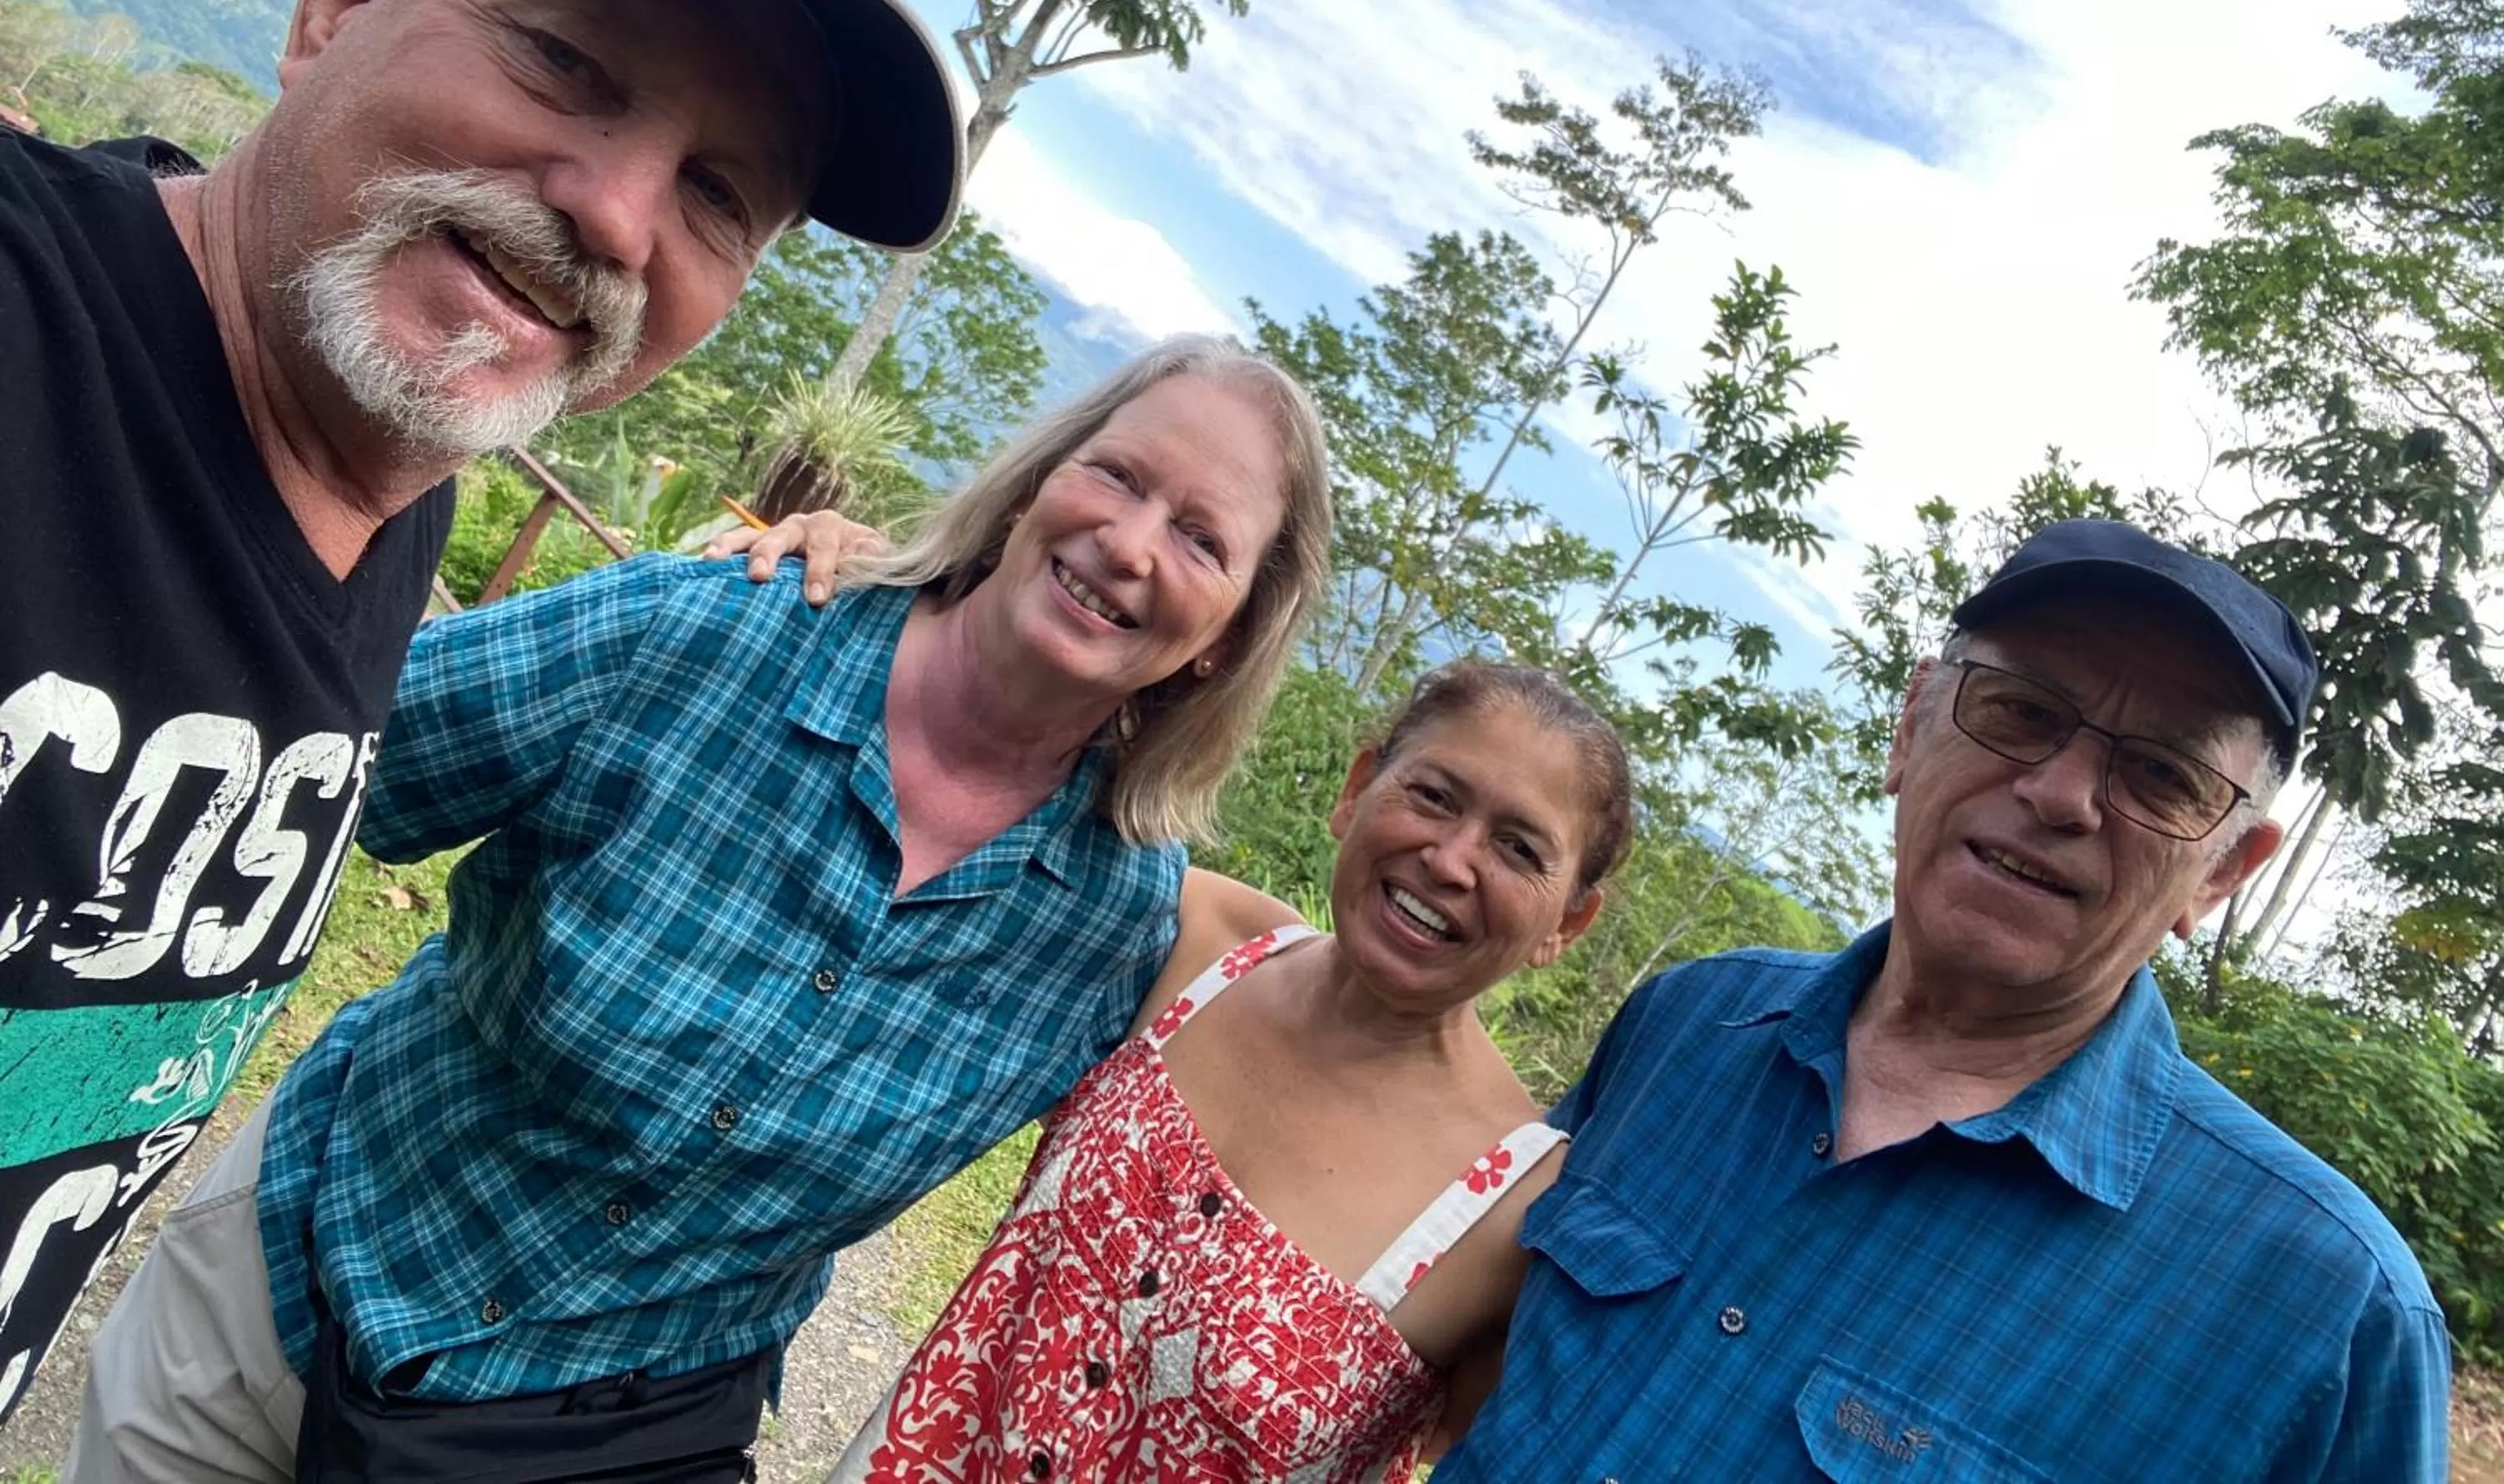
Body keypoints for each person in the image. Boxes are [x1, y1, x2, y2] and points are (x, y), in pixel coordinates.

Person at [0, 0, 962, 1423]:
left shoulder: (392, 500)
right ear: (341, 3)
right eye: (568, 60)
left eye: (719, 196)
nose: (618, 213)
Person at [68, 336, 1334, 1483]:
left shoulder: (1118, 931)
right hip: (306, 1259)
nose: (1131, 542)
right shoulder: (708, 634)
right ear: (1036, 483)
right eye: (1117, 475)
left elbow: (1356, 1030)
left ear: (1227, 640)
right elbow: (309, 760)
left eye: (1202, 538)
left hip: (593, 1432)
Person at [1435, 519, 2451, 1483]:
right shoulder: (1688, 1022)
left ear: (2225, 869)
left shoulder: (2331, 1316)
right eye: (2023, 712)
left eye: (2159, 774)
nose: (2060, 795)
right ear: (1911, 727)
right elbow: (1467, 1351)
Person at [836, 659, 1634, 1483]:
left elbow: (1471, 1440)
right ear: (1358, 788)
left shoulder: (1517, 1213)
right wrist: (873, 596)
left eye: (1519, 848)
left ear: (1567, 922)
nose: (1452, 860)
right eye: (1434, 795)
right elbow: (951, 813)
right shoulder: (1192, 939)